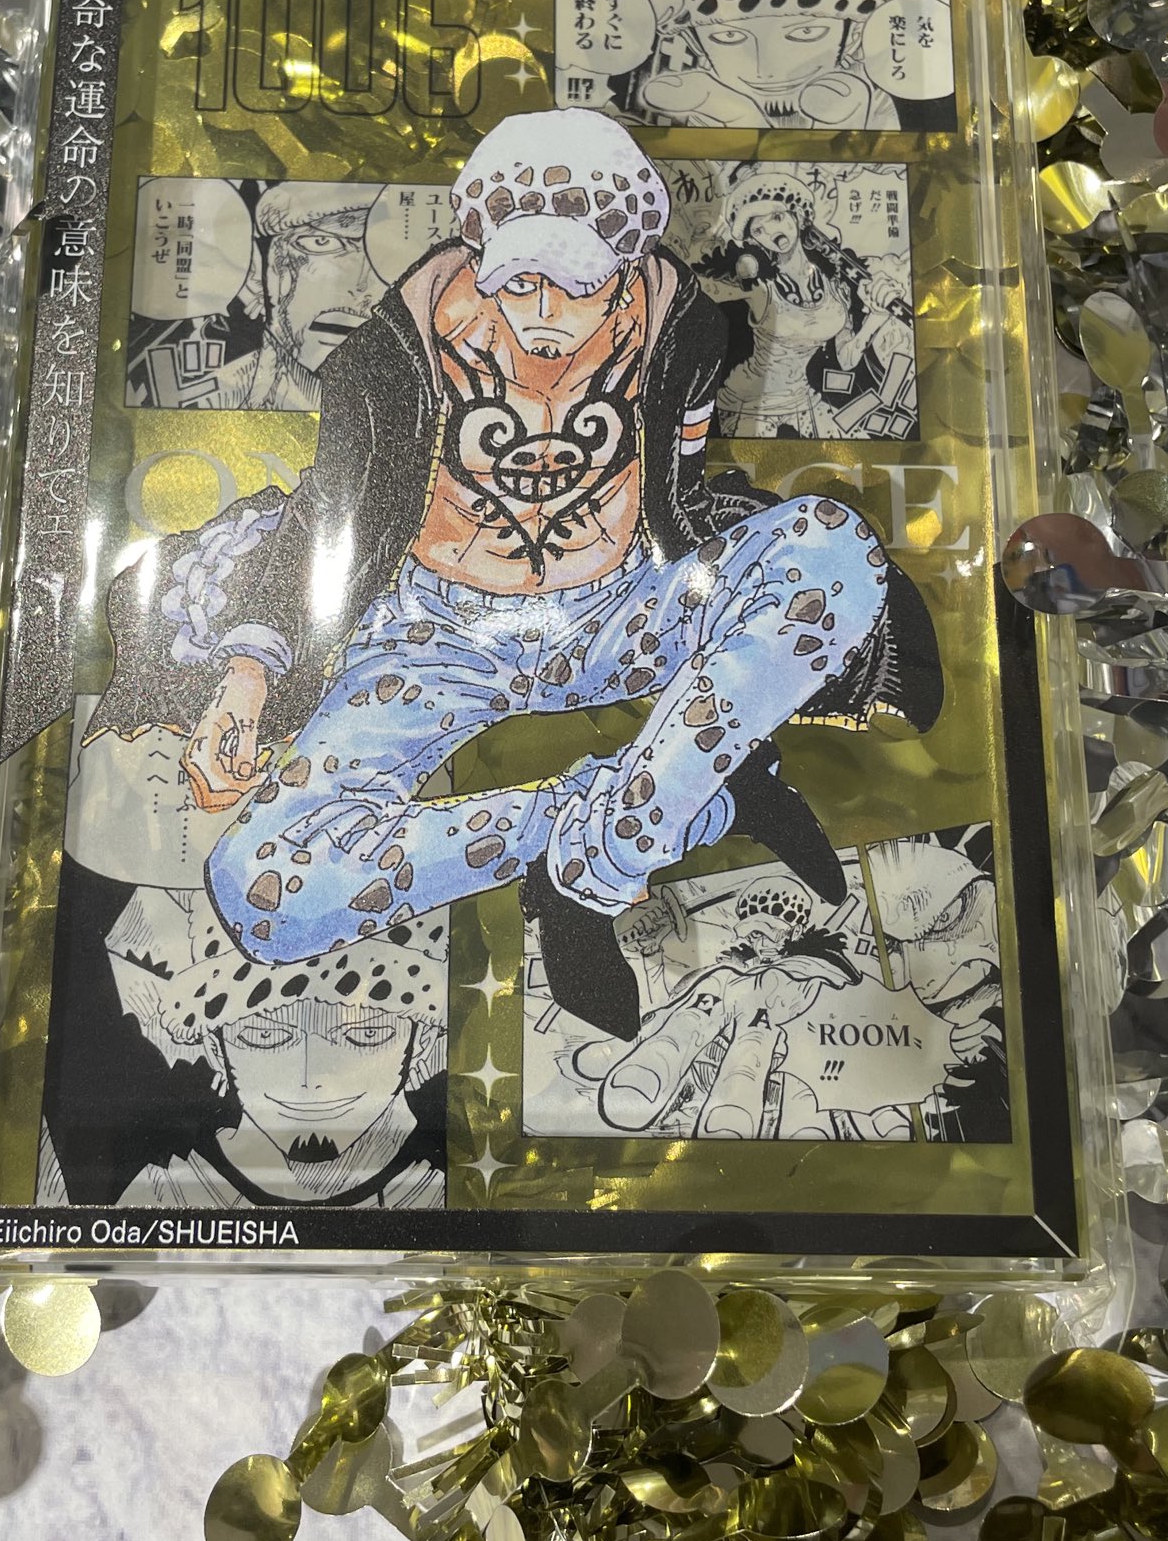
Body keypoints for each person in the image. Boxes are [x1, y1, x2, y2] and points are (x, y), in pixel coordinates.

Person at [123, 107, 942, 1042]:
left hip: (619, 610)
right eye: (518, 281)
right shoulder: (398, 345)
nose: (544, 312)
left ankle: (593, 872)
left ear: (626, 263)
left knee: (831, 546)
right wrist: (249, 671)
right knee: (259, 890)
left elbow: (677, 491)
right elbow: (331, 503)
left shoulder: (679, 324)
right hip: (433, 640)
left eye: (577, 285)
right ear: (481, 254)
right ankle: (655, 810)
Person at [690, 171, 915, 440]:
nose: (772, 232)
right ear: (754, 241)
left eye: (777, 217)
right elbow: (699, 287)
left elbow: (846, 359)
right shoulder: (759, 285)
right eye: (759, 230)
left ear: (796, 216)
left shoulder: (835, 285)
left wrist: (876, 318)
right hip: (753, 403)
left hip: (808, 399)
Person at [629, 0, 957, 133]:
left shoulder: (894, 106)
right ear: (696, 43)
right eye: (728, 37)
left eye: (805, 33)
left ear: (853, 34)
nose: (767, 70)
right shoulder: (686, 119)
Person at [211, 182, 388, 409]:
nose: (362, 286)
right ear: (260, 267)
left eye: (386, 253)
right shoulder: (218, 396)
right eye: (322, 242)